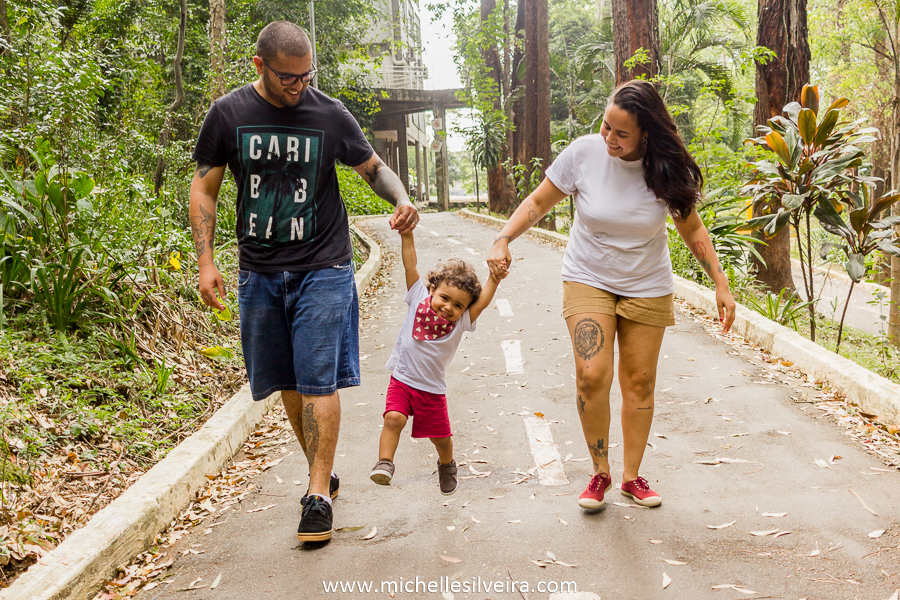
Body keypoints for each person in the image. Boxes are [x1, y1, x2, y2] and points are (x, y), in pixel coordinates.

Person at [189, 21, 418, 543]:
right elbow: (205, 188)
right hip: (259, 271)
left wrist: (401, 198)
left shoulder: (328, 113)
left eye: (305, 76)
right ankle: (323, 470)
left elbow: (373, 168)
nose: (298, 86)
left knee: (317, 379)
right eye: (288, 77)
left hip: (324, 265)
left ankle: (317, 495)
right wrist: (206, 261)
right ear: (259, 66)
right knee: (286, 382)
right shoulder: (228, 114)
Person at [486, 80, 736, 511]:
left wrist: (720, 283)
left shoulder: (664, 169)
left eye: (622, 133)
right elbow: (538, 203)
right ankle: (599, 472)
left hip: (647, 284)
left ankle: (631, 477)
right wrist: (503, 237)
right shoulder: (584, 154)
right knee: (591, 374)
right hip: (588, 277)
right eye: (606, 127)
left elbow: (692, 228)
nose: (609, 139)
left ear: (646, 134)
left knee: (639, 381)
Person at [370, 230, 506, 494]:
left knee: (440, 438)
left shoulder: (461, 322)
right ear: (432, 289)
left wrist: (494, 278)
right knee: (393, 418)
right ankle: (385, 462)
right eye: (444, 298)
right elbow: (410, 265)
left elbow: (482, 303)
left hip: (431, 390)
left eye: (458, 305)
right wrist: (407, 235)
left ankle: (447, 465)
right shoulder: (417, 296)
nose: (448, 307)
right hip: (402, 380)